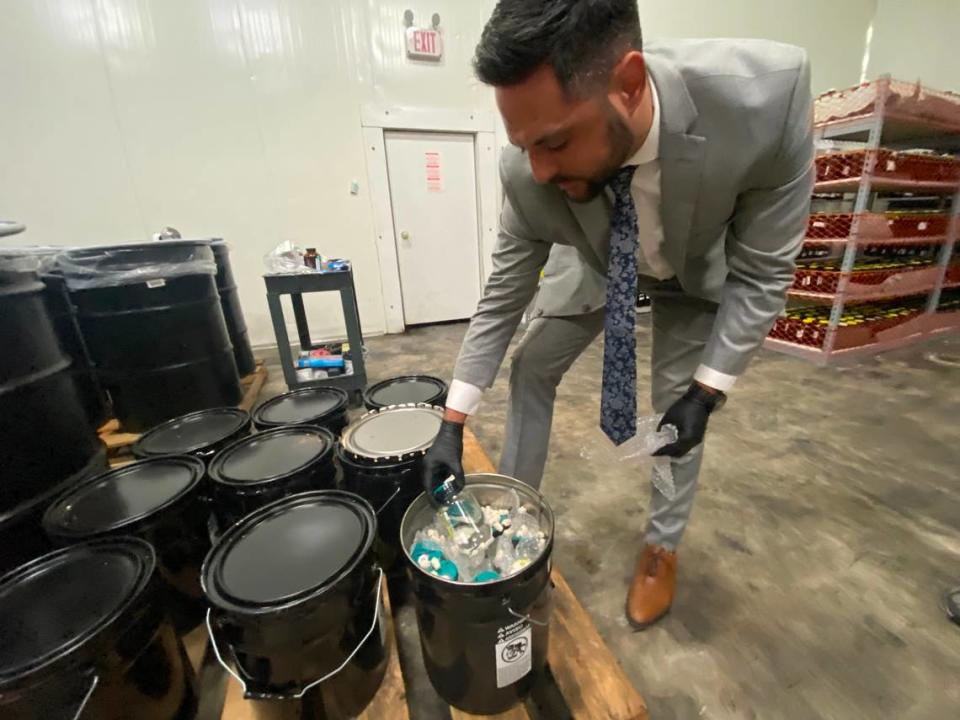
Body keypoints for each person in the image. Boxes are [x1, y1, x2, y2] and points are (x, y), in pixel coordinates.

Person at [422, 0, 813, 629]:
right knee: (532, 366)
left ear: (629, 84)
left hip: (692, 268)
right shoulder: (532, 173)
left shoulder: (764, 103)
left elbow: (763, 272)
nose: (538, 169)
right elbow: (504, 294)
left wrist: (708, 395)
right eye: (525, 146)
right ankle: (516, 515)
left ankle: (661, 548)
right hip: (598, 257)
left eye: (553, 141)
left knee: (674, 415)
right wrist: (452, 421)